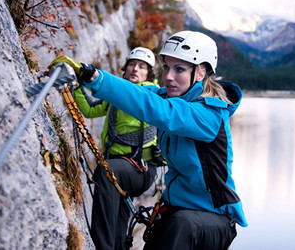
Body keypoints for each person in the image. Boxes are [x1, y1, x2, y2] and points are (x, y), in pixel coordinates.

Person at [51, 31, 247, 249]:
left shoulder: (209, 115)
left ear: (200, 72)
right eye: (167, 67)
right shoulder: (172, 96)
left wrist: (95, 77)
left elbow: (156, 109)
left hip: (211, 220)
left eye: (179, 69)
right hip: (176, 210)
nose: (169, 76)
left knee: (182, 225)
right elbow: (140, 92)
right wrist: (81, 77)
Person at [73, 47, 162, 249]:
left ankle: (102, 247)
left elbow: (138, 95)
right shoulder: (116, 95)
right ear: (125, 67)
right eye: (132, 64)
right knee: (120, 220)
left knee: (106, 171)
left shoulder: (149, 94)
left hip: (141, 169)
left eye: (141, 67)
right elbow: (89, 110)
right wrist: (77, 87)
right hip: (122, 169)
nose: (135, 69)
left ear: (149, 74)